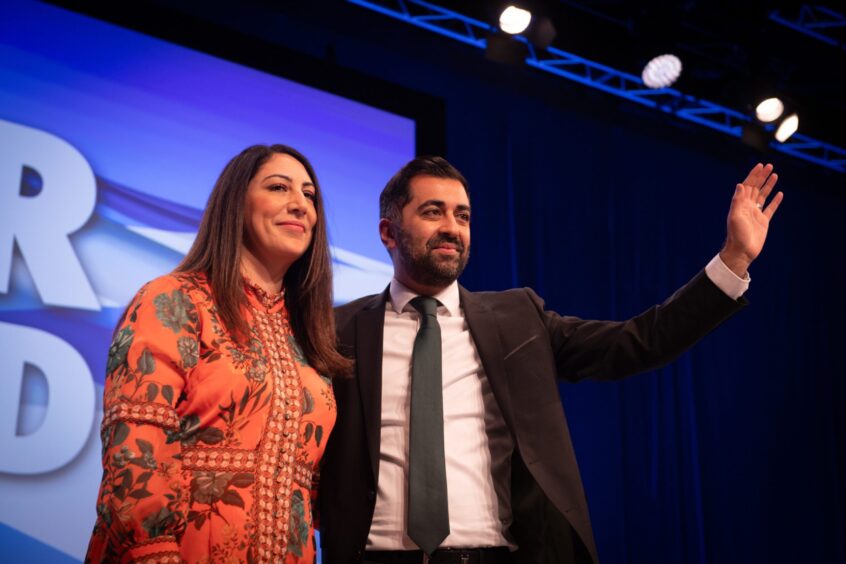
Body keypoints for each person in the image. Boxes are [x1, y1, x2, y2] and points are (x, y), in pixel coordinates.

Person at [318, 156, 783, 564]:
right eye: (432, 211)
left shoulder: (519, 316)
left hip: (492, 557)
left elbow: (637, 341)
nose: (451, 227)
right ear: (387, 232)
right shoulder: (337, 329)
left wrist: (734, 258)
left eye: (463, 215)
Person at [86, 144, 350, 563]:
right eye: (279, 188)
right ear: (236, 204)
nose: (300, 205)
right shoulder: (173, 301)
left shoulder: (308, 336)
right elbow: (135, 453)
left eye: (309, 195)